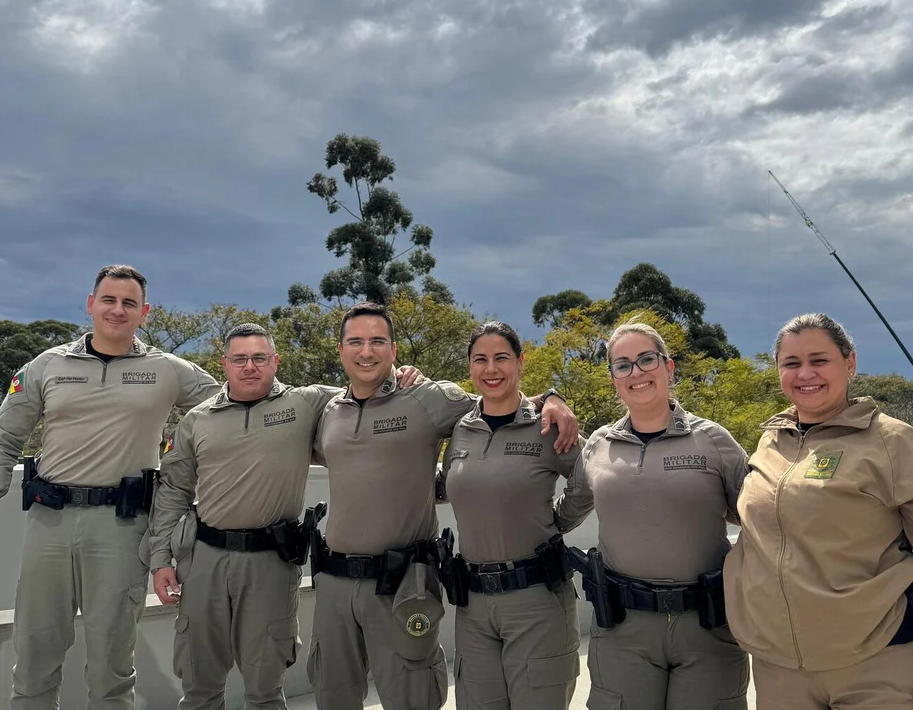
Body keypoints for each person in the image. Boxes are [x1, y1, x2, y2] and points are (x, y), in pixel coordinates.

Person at [305, 301, 579, 710]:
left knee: (413, 696)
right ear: (340, 350)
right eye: (356, 342)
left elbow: (496, 398)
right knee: (331, 695)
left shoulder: (428, 398)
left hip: (401, 584)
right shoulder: (327, 410)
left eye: (377, 341)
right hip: (333, 584)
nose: (366, 351)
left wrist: (550, 398)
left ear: (393, 350)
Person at [0, 264, 221, 710]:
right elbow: (5, 438)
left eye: (128, 303)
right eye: (108, 299)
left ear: (144, 312)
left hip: (123, 530)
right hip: (50, 525)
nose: (117, 310)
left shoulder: (168, 370)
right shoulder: (46, 365)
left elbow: (232, 403)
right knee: (34, 661)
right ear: (90, 304)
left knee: (112, 669)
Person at [148, 323, 422, 710]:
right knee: (198, 687)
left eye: (260, 358)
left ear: (275, 361)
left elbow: (366, 387)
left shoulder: (306, 404)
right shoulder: (197, 419)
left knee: (265, 689)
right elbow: (173, 490)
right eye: (240, 359)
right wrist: (161, 559)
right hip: (204, 559)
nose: (250, 367)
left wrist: (402, 375)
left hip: (270, 564)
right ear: (224, 364)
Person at [723, 313, 913, 710]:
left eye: (819, 360)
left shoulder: (894, 442)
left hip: (878, 664)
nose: (805, 373)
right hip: (780, 670)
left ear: (849, 363)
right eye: (791, 363)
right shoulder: (771, 443)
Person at [556, 319, 750, 710]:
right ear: (613, 377)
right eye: (622, 365)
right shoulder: (598, 446)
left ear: (668, 366)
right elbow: (562, 515)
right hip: (622, 629)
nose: (636, 372)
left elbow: (758, 517)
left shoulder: (714, 441)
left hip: (707, 625)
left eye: (647, 359)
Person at [437, 321, 583, 710]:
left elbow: (591, 478)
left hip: (536, 598)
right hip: (472, 605)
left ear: (520, 361)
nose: (491, 369)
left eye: (501, 358)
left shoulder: (547, 424)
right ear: (469, 367)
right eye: (480, 359)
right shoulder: (461, 429)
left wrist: (556, 521)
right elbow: (446, 483)